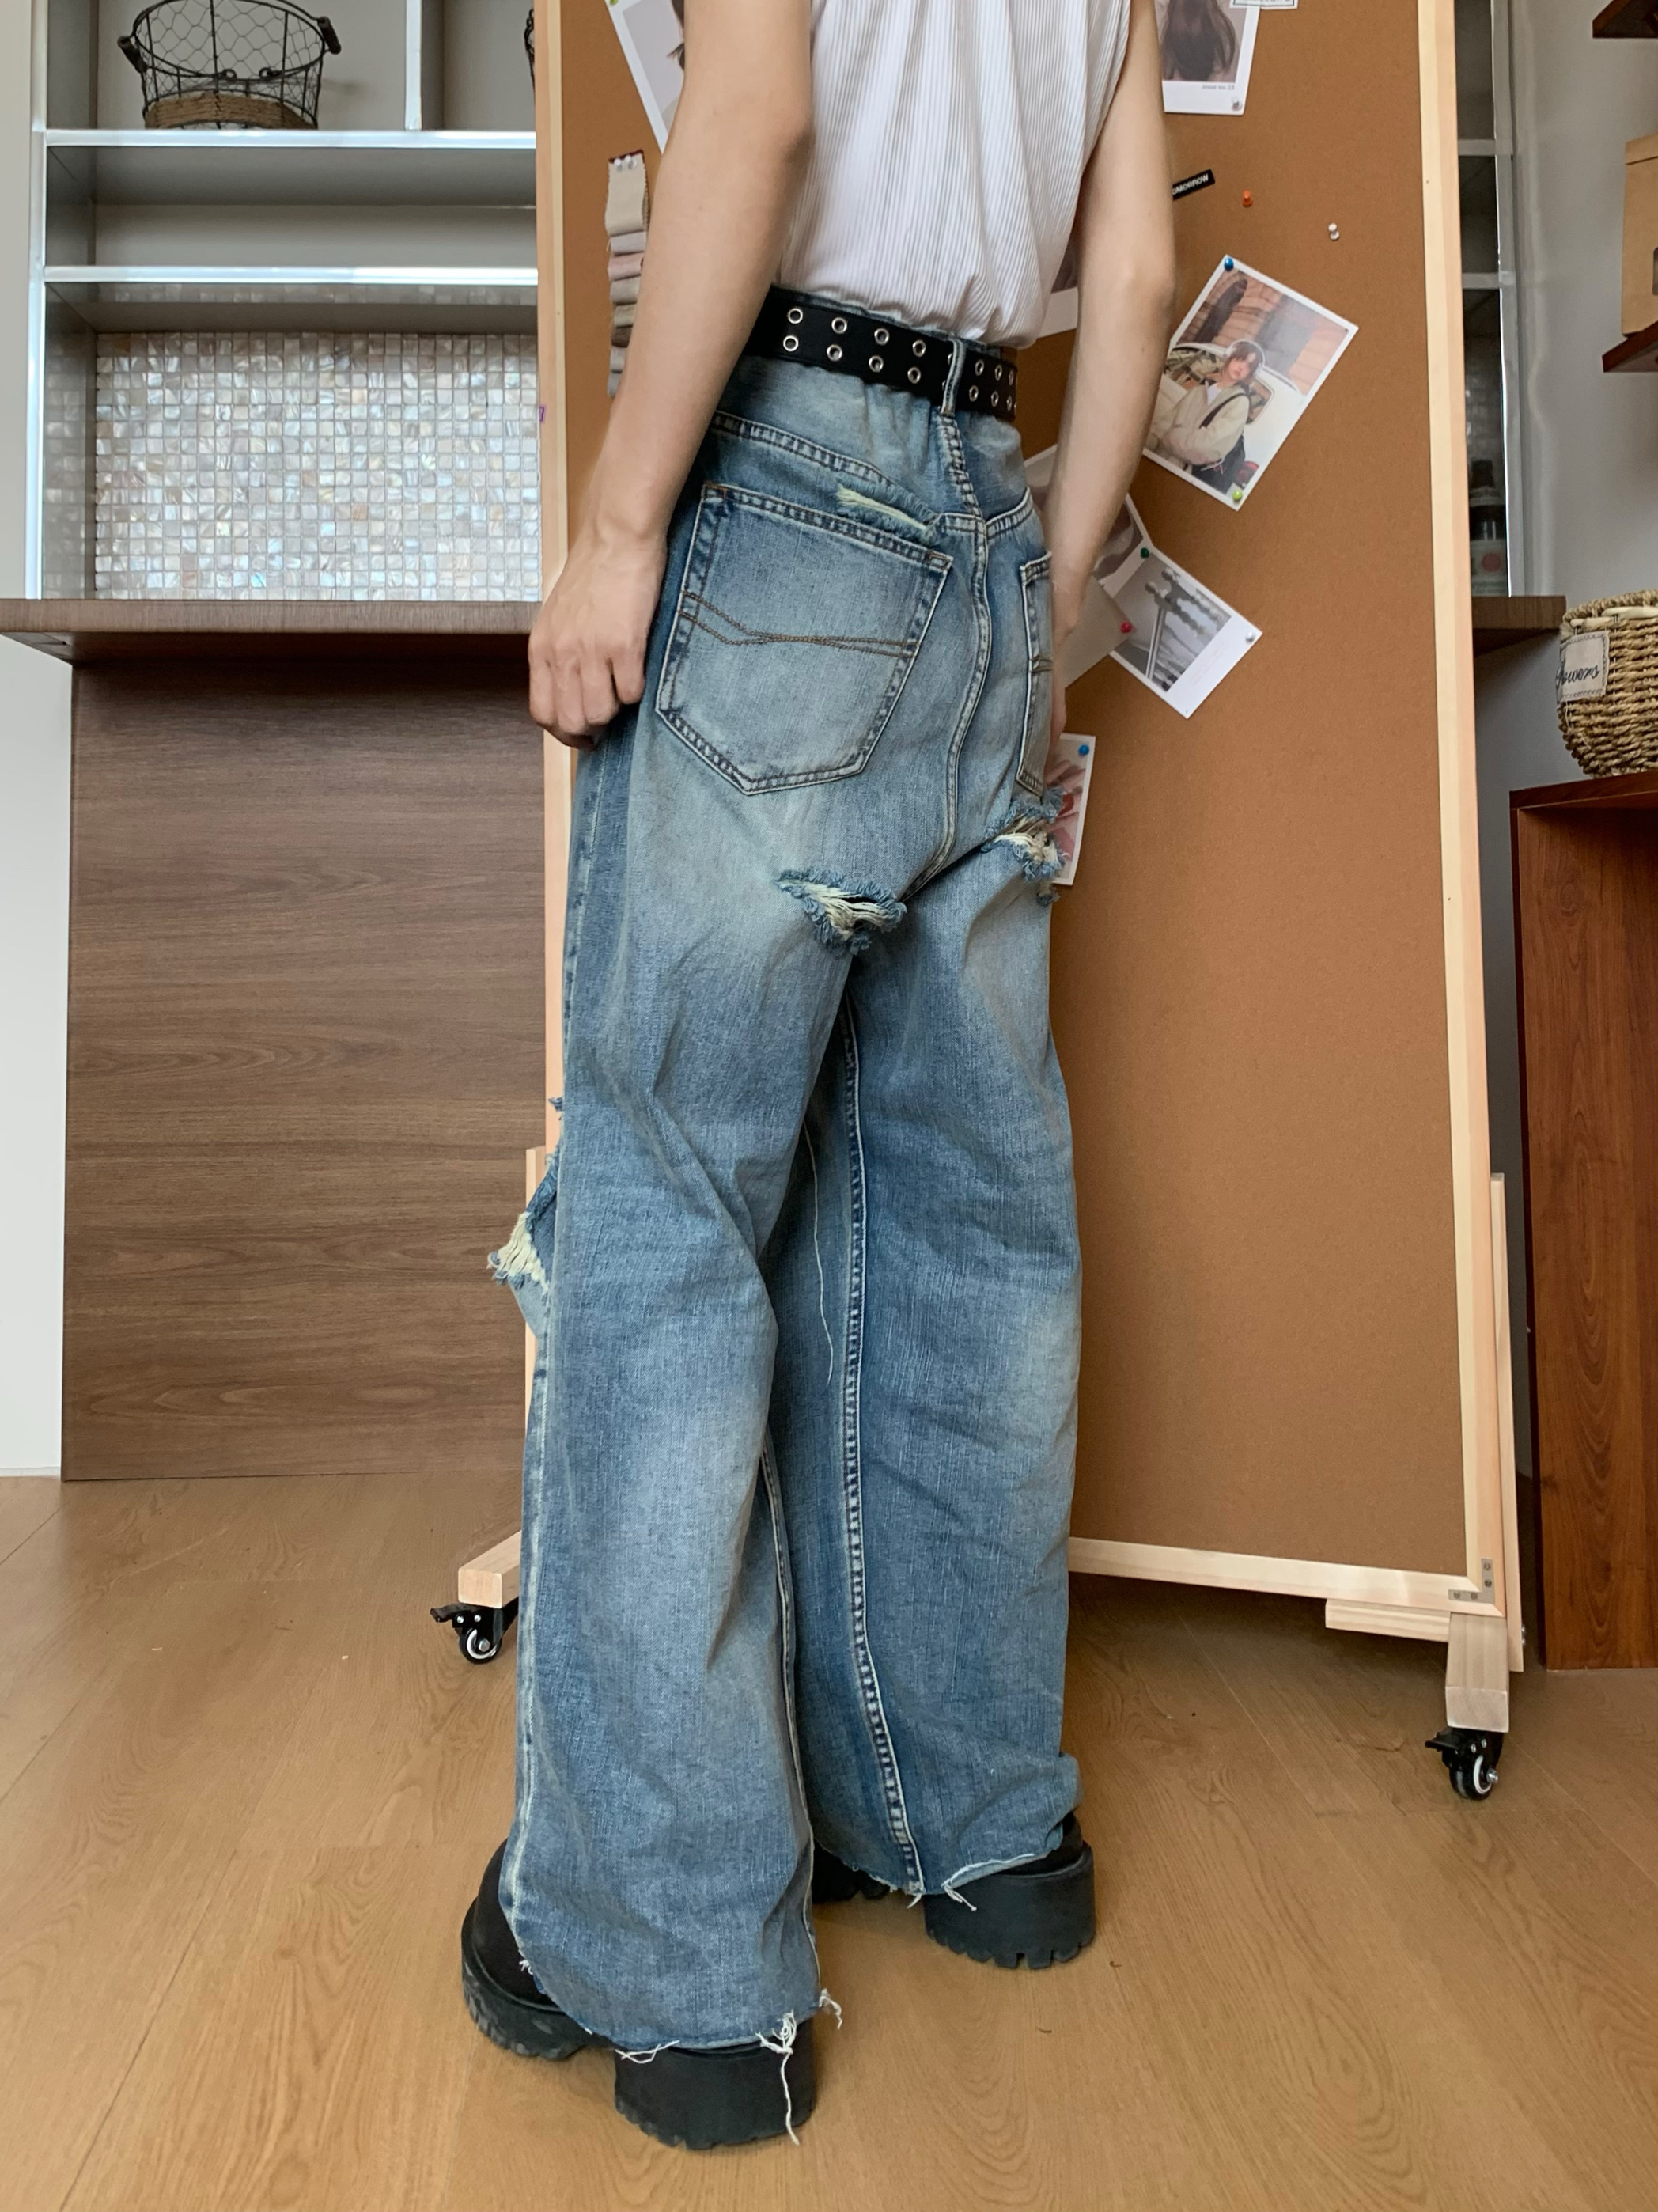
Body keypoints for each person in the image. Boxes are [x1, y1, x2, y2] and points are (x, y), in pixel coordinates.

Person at [460, 0, 1176, 2152]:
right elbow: (1131, 266)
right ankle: (983, 1836)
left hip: (779, 471)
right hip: (992, 517)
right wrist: (1046, 600)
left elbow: (754, 119)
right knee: (966, 1223)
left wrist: (618, 527)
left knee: (665, 1240)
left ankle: (679, 1970)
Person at [1150, 335, 1262, 482]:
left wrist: (1169, 437)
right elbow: (1166, 423)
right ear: (1230, 358)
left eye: (1249, 366)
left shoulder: (1240, 403)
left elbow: (1207, 444)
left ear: (1250, 374)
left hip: (1183, 475)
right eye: (1240, 359)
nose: (1242, 367)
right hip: (1159, 460)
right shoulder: (1202, 390)